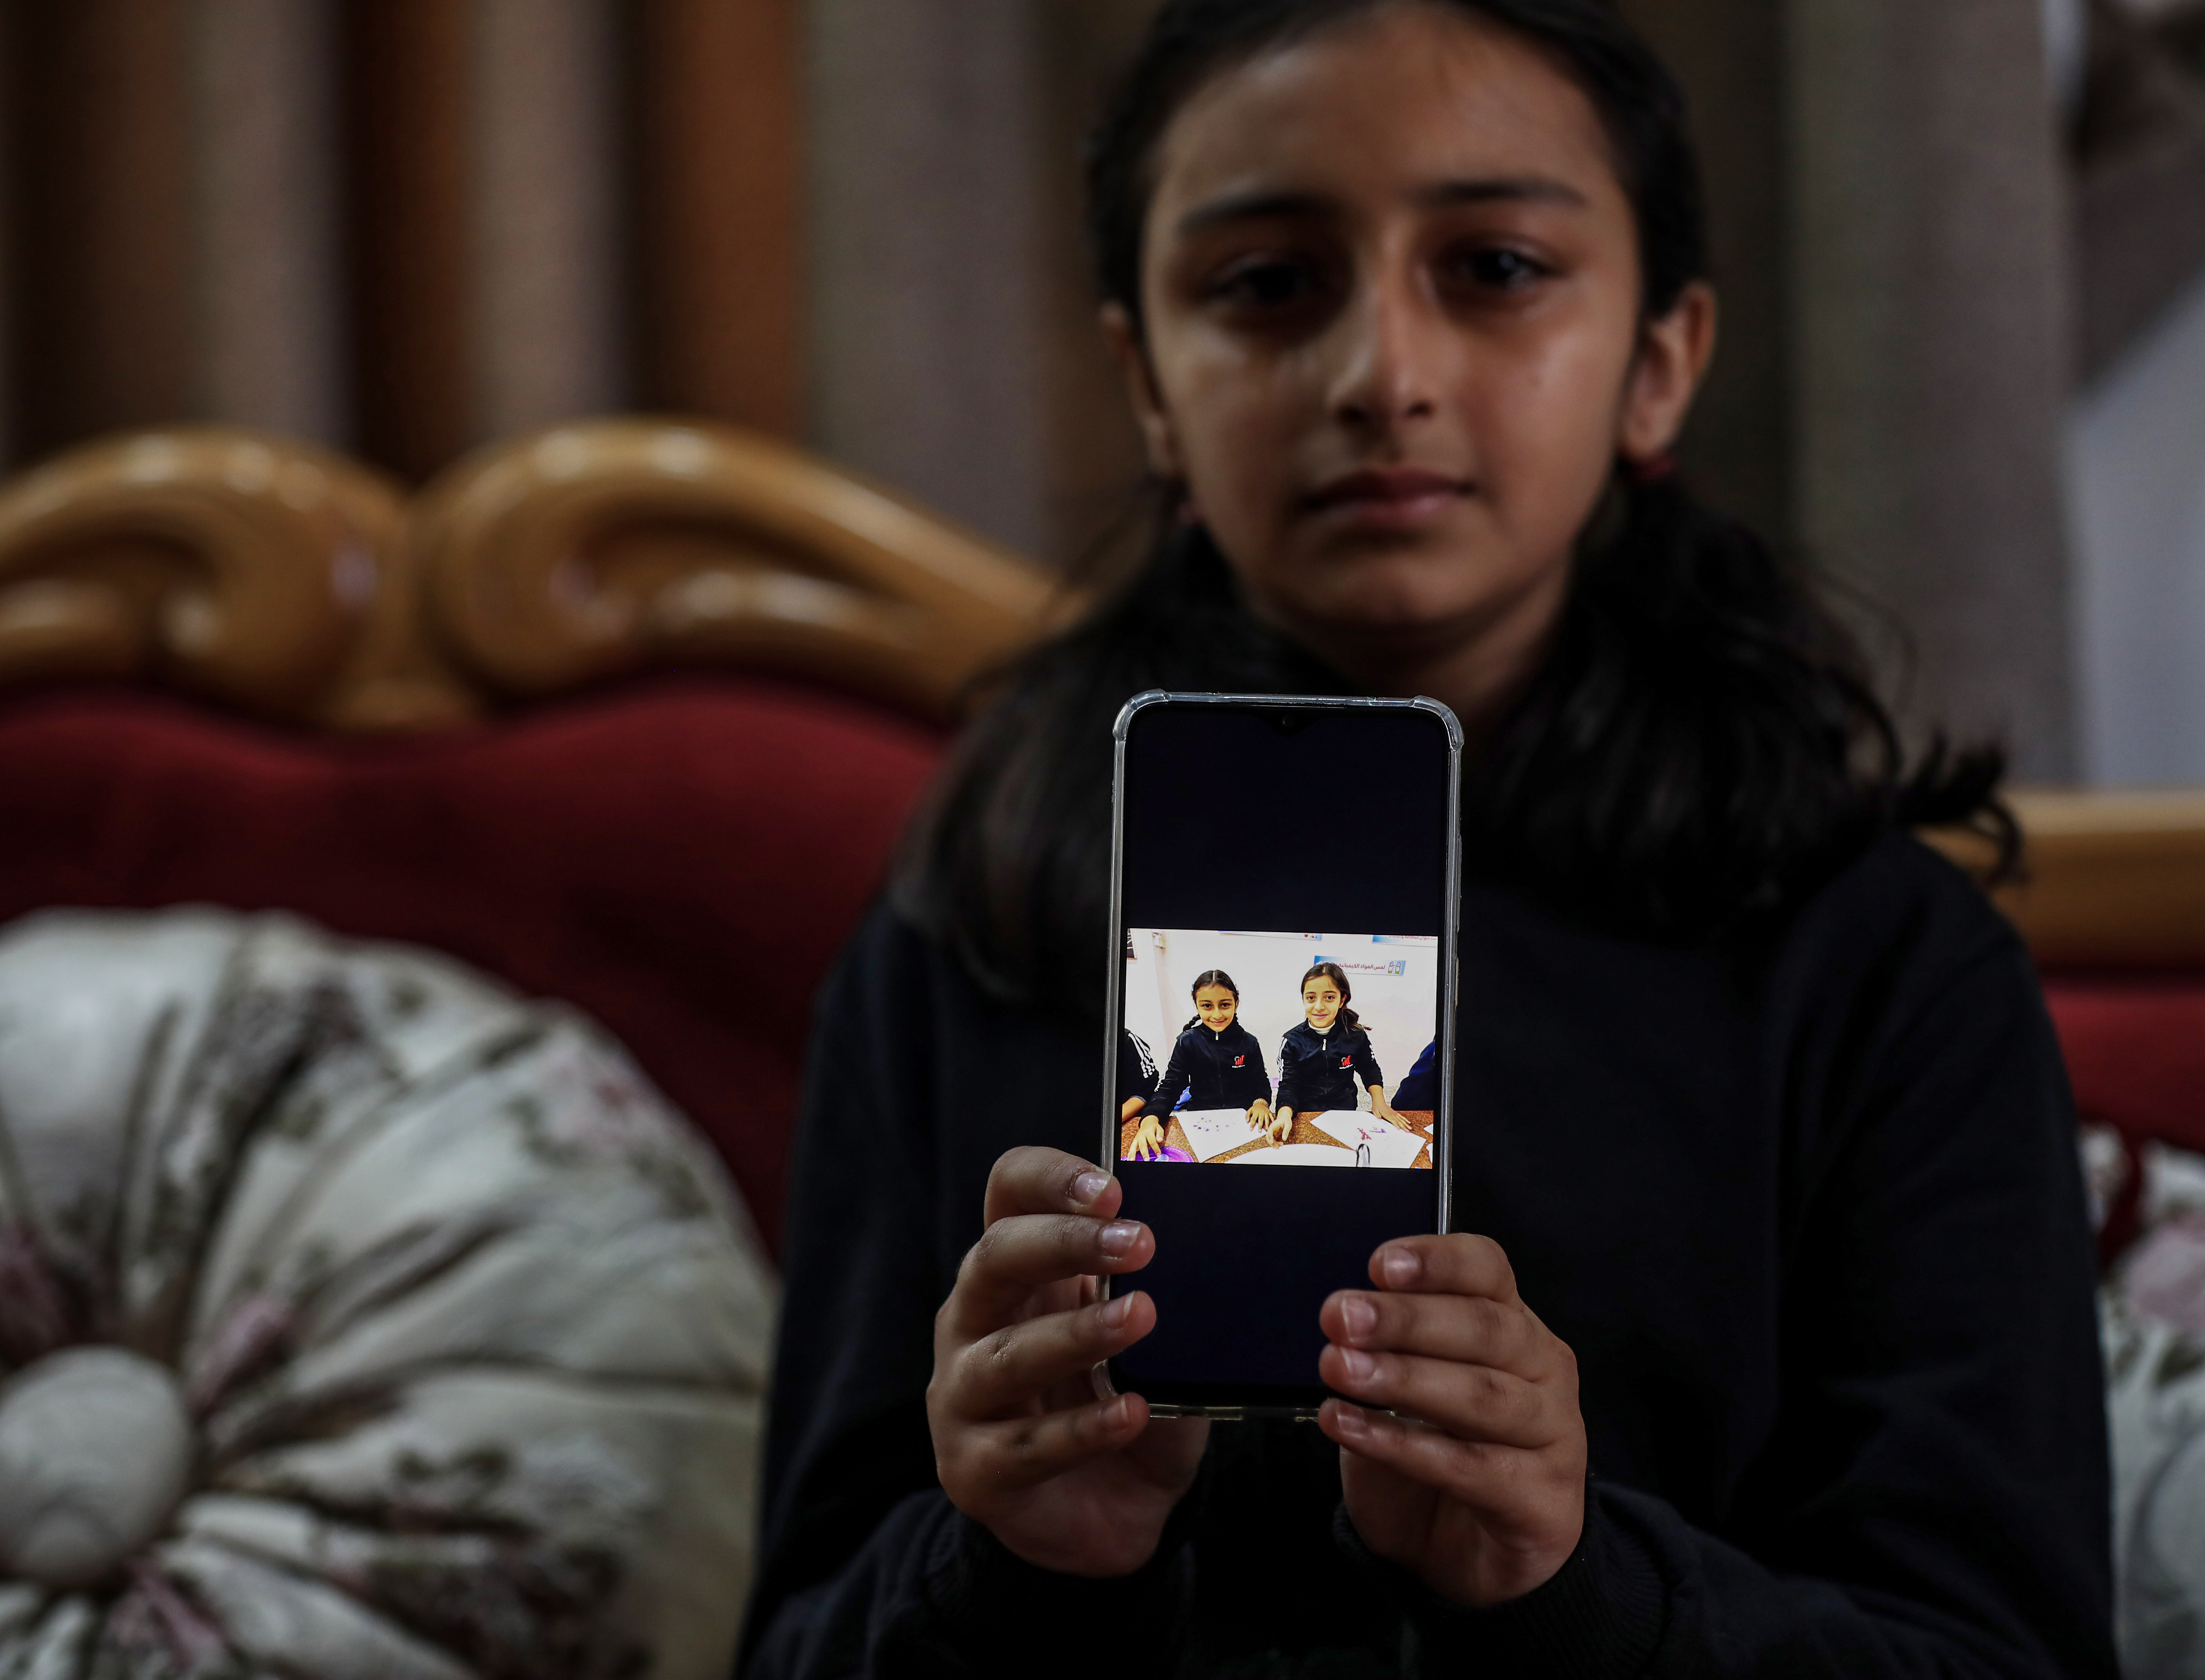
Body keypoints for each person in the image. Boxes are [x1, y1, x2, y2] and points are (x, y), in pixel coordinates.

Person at [742, 1, 2113, 1675]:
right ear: (1145, 385)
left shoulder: (1882, 965)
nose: (1378, 375)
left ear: (1660, 356)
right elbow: (795, 1641)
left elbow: (2001, 1650)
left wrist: (1570, 1571)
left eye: (1493, 268)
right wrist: (1013, 1557)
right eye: (1263, 285)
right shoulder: (962, 938)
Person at [1130, 969, 1275, 1159]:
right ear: (1197, 1006)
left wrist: (1261, 1104)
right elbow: (1170, 1087)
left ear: (1236, 1004)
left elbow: (1261, 1086)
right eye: (1207, 1006)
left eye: (1225, 1005)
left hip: (1245, 1123)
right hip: (1200, 1121)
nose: (1217, 1015)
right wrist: (1150, 1118)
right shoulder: (1187, 1042)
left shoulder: (1249, 1043)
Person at [1271, 961, 1404, 1141]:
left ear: (1342, 1000)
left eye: (1329, 998)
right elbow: (1288, 1085)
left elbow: (1369, 1069)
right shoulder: (1292, 1041)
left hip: (1345, 1113)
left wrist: (1379, 1101)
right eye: (1311, 998)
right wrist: (1284, 1115)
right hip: (1304, 1115)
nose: (1319, 1007)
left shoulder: (1356, 1035)